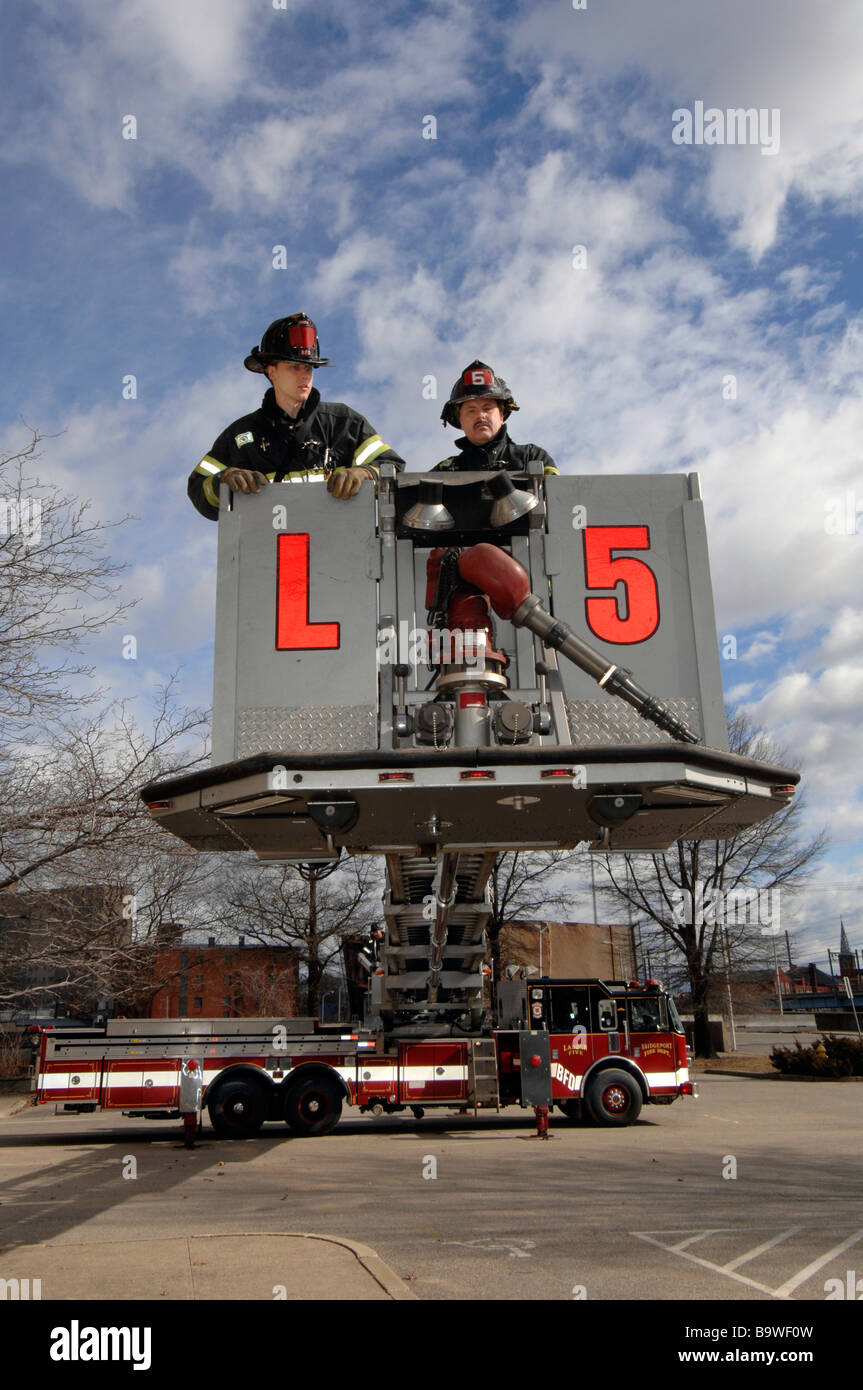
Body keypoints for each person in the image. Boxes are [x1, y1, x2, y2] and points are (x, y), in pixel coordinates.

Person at [189, 313, 405, 519]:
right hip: (262, 552)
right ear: (271, 371)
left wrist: (365, 473)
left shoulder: (344, 424)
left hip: (342, 549)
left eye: (309, 368)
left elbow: (392, 467)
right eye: (294, 367)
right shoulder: (242, 436)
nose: (304, 375)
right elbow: (198, 487)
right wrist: (223, 480)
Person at [432, 360, 559, 476]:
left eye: (487, 408)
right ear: (460, 421)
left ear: (501, 415)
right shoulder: (445, 471)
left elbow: (557, 496)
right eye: (471, 410)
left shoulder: (532, 457)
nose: (480, 415)